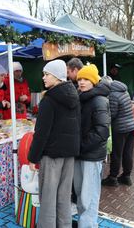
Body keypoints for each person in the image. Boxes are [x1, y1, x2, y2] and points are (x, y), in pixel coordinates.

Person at [27, 59, 81, 228]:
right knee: (64, 195)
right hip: (69, 154)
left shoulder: (49, 100)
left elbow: (41, 134)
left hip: (52, 155)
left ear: (57, 76)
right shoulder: (74, 95)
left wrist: (32, 157)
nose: (43, 78)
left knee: (48, 197)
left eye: (46, 74)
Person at [74, 64, 111, 228]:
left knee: (89, 196)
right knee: (81, 194)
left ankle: (88, 225)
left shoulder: (99, 101)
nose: (81, 82)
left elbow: (102, 132)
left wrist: (80, 146)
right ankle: (85, 224)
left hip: (90, 154)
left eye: (86, 79)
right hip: (79, 153)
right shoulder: (81, 97)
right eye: (80, 79)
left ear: (94, 81)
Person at [102, 79, 134, 186]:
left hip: (120, 128)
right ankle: (126, 176)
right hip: (131, 126)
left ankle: (112, 178)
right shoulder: (124, 90)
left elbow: (113, 113)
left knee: (116, 153)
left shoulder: (112, 95)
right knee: (127, 152)